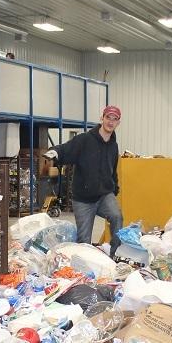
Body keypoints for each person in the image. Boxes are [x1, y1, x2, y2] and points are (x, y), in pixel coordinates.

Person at [44, 105, 123, 255]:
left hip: (104, 195)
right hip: (83, 200)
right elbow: (66, 148)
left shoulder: (114, 146)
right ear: (102, 118)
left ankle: (116, 254)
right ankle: (84, 270)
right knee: (84, 241)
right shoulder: (85, 140)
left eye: (115, 119)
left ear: (118, 122)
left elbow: (112, 170)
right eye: (108, 118)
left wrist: (114, 188)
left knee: (116, 216)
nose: (111, 122)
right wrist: (54, 152)